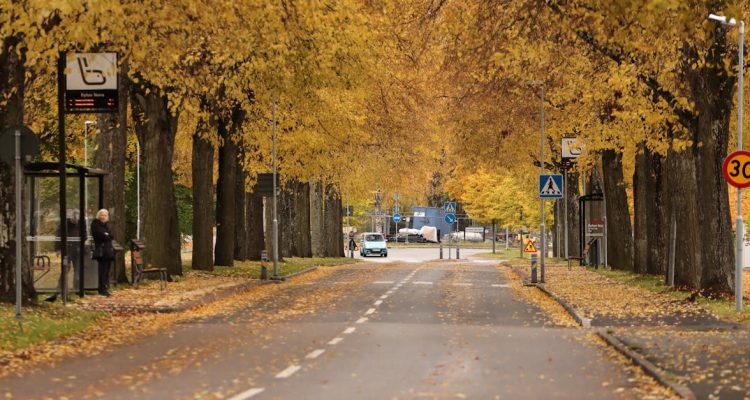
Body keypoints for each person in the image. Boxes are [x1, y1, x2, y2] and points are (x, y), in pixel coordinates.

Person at [91, 209, 114, 296]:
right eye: (102, 215)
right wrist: (107, 235)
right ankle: (102, 290)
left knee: (106, 271)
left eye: (105, 215)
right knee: (103, 271)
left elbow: (111, 236)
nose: (103, 217)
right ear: (98, 215)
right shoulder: (96, 224)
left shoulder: (105, 225)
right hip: (102, 251)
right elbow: (102, 235)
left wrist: (107, 234)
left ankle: (104, 288)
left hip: (107, 251)